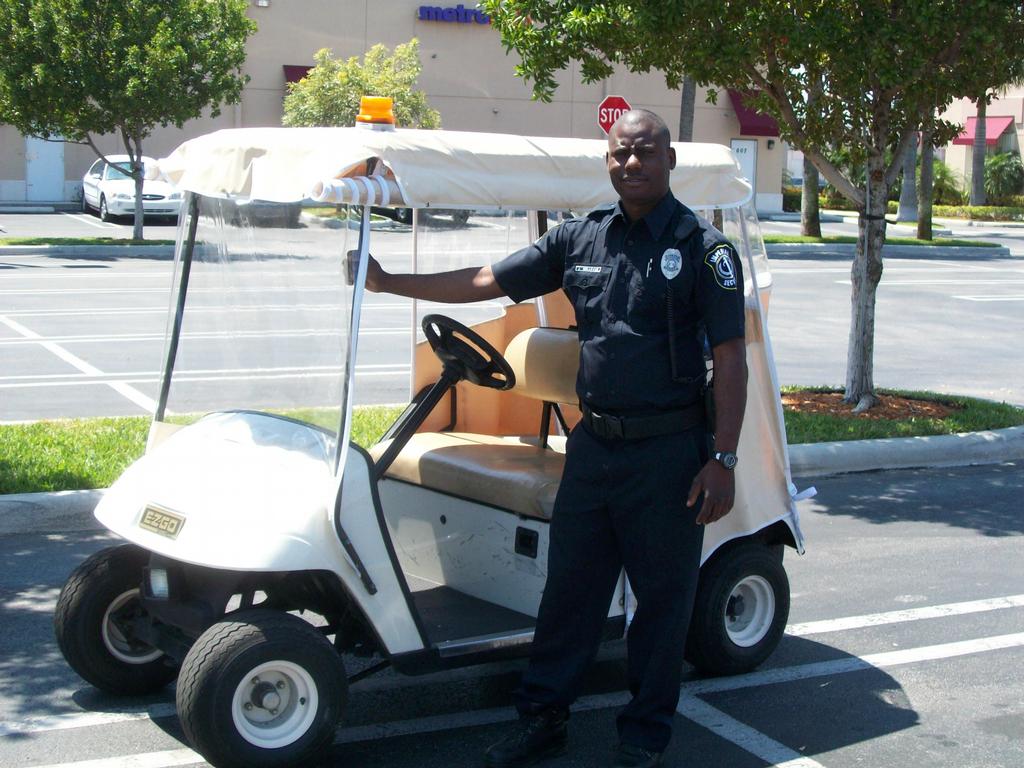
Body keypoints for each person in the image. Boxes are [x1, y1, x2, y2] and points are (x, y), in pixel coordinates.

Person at [365, 109, 747, 768]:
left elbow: (731, 357)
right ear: (608, 160)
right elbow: (486, 279)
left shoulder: (704, 250)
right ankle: (543, 719)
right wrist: (388, 282)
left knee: (661, 604)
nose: (632, 163)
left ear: (669, 160)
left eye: (645, 151)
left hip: (669, 454)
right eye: (620, 153)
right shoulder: (580, 238)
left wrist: (724, 457)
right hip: (594, 448)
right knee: (569, 594)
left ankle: (643, 737)